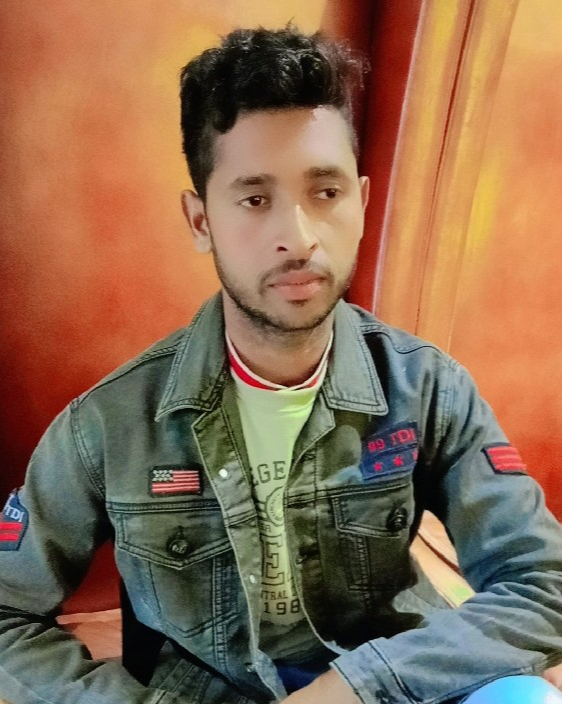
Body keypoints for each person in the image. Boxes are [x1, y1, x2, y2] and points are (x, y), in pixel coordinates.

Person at [0, 24, 561, 704]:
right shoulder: (107, 426)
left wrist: (354, 687)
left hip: (390, 682)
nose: (297, 238)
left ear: (361, 202)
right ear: (201, 220)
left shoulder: (429, 389)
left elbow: (544, 581)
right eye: (255, 199)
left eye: (325, 192)